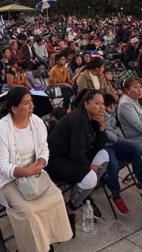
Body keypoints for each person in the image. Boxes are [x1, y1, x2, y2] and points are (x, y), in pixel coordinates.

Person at [0, 86, 73, 252]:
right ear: (14, 108)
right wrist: (24, 171)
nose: (31, 106)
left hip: (35, 174)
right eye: (26, 103)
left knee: (56, 197)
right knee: (28, 211)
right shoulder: (2, 129)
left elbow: (44, 148)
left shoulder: (36, 122)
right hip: (10, 179)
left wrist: (41, 162)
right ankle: (31, 247)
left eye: (31, 102)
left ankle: (46, 240)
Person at [45, 89, 109, 236]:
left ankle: (85, 192)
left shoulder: (91, 118)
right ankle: (71, 208)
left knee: (104, 155)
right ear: (86, 104)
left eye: (103, 104)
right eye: (97, 103)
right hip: (56, 161)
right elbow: (76, 152)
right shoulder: (79, 119)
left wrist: (102, 127)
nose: (101, 107)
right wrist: (88, 167)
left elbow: (99, 146)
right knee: (90, 176)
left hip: (71, 156)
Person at [101, 93, 142, 216]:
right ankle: (115, 194)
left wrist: (124, 140)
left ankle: (141, 180)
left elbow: (115, 129)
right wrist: (120, 139)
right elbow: (105, 134)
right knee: (113, 164)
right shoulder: (99, 115)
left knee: (134, 149)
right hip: (104, 146)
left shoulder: (110, 115)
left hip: (114, 141)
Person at [117, 77, 142, 148]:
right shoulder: (125, 104)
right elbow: (140, 128)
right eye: (136, 87)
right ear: (127, 90)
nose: (140, 90)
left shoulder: (137, 99)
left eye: (141, 87)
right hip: (139, 140)